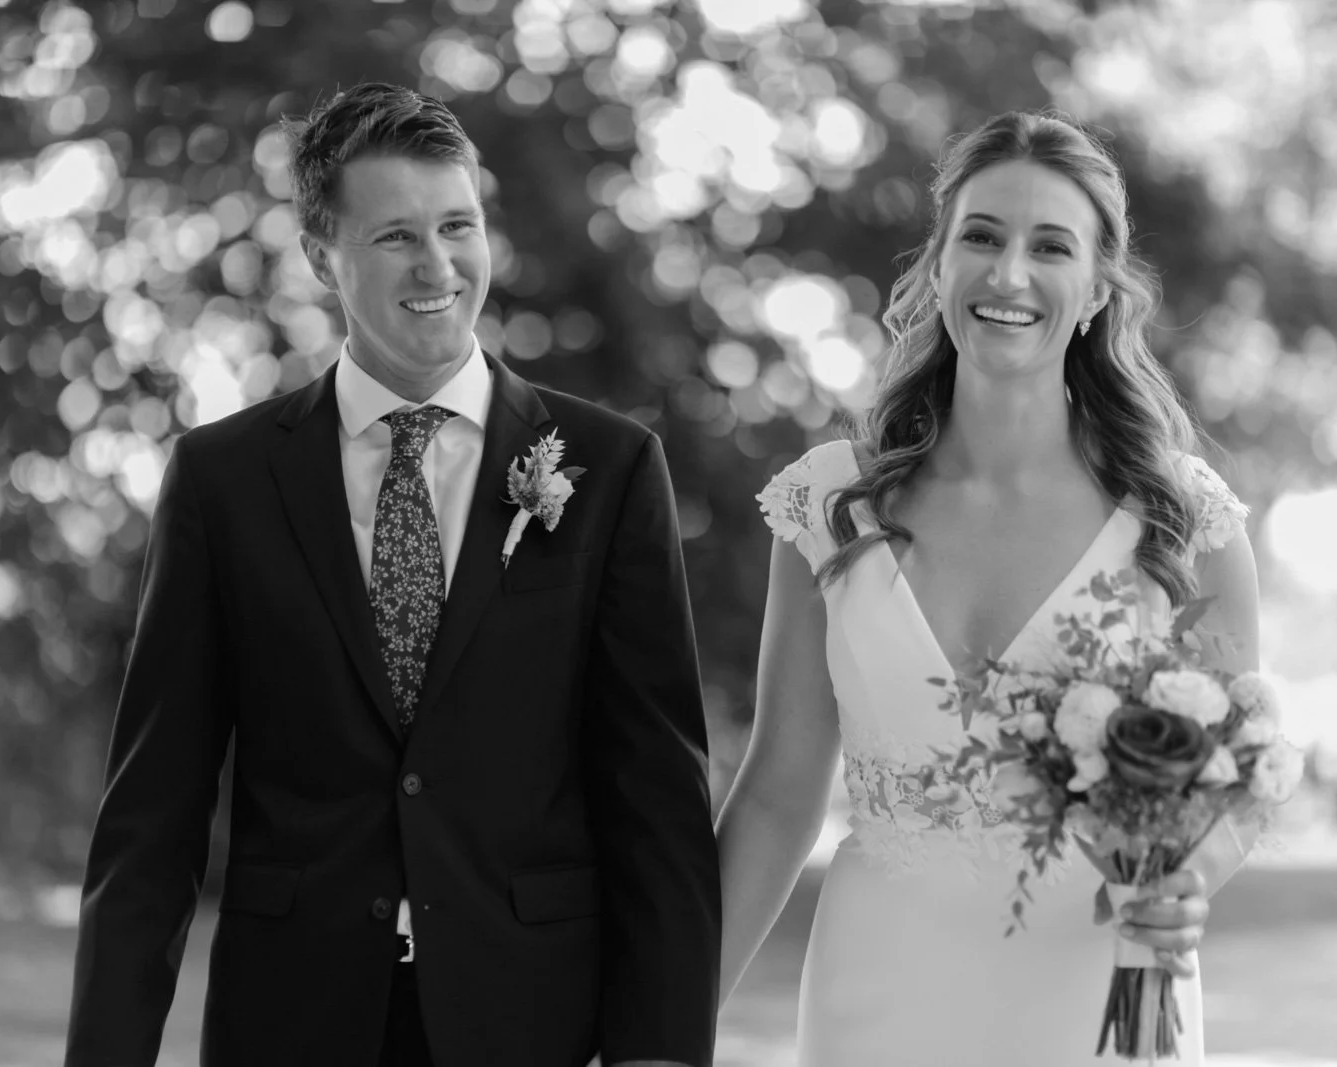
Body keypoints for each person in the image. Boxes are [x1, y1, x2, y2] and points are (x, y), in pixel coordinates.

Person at [63, 83, 720, 1067]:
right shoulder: (223, 481)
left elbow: (657, 801)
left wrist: (659, 1052)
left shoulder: (609, 467)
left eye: (458, 225)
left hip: (529, 1019)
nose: (438, 263)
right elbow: (153, 811)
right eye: (396, 236)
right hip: (290, 1019)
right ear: (323, 256)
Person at [715, 111, 1261, 1065]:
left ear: (1096, 289)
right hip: (877, 994)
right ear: (937, 265)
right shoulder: (829, 503)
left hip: (1101, 994)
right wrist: (663, 1021)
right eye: (981, 236)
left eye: (1050, 246)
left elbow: (1245, 775)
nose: (1009, 275)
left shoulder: (1182, 518)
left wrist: (1189, 878)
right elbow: (775, 795)